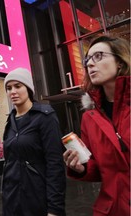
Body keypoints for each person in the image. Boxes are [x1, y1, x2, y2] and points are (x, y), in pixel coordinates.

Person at [63, 35, 130, 216]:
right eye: (88, 59)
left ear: (120, 62)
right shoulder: (89, 118)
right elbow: (98, 169)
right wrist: (81, 167)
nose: (90, 64)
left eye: (98, 56)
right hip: (112, 210)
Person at [2, 68, 66, 216]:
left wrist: (55, 208)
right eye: (8, 88)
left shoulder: (45, 116)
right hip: (11, 200)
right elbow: (9, 162)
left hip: (37, 199)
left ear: (28, 88)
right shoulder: (10, 121)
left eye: (18, 86)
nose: (13, 91)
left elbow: (55, 164)